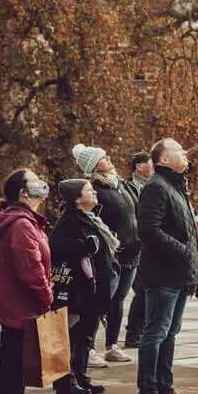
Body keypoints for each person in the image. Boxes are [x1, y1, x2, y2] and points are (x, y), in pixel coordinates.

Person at [134, 139, 198, 394]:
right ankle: (147, 392)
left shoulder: (174, 185)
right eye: (177, 150)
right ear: (163, 160)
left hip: (178, 274)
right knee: (156, 332)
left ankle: (165, 387)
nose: (184, 153)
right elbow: (148, 230)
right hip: (163, 273)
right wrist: (183, 250)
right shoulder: (157, 187)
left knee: (170, 331)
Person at [0, 169, 53, 394]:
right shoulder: (22, 224)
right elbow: (31, 269)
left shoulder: (27, 220)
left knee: (16, 364)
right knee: (13, 366)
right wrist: (47, 296)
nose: (42, 184)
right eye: (34, 181)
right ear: (23, 193)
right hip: (19, 305)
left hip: (19, 304)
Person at [48, 179, 116, 394]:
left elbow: (101, 248)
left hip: (92, 288)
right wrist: (83, 247)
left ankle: (81, 376)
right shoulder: (69, 221)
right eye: (89, 190)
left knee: (85, 335)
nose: (94, 192)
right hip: (77, 289)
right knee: (71, 336)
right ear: (77, 198)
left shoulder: (91, 218)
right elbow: (54, 249)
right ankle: (65, 382)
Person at [73, 145, 139, 365]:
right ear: (93, 165)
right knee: (101, 301)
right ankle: (88, 348)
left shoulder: (119, 184)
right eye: (102, 158)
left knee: (118, 301)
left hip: (130, 252)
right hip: (110, 256)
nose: (109, 158)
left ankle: (112, 345)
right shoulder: (94, 189)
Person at [122, 151, 152, 349]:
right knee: (141, 290)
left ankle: (139, 330)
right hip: (137, 244)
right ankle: (133, 332)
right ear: (139, 166)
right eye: (150, 163)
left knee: (146, 290)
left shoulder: (153, 184)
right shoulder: (129, 187)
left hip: (149, 245)